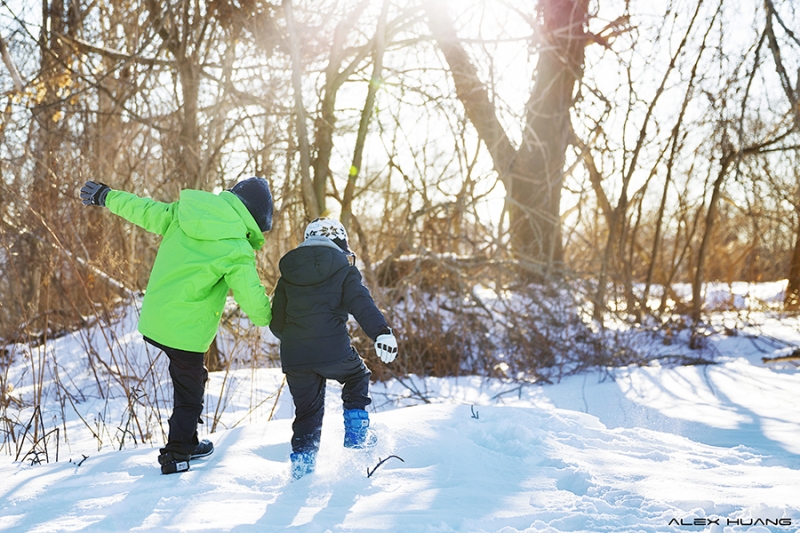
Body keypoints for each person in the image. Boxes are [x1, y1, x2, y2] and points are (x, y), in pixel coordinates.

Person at [79, 177, 275, 474]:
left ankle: (187, 439)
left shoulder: (184, 213)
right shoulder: (236, 248)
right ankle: (179, 452)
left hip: (157, 318)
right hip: (186, 332)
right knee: (189, 391)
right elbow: (256, 307)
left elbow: (142, 209)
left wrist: (106, 196)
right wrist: (279, 315)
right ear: (256, 218)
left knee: (193, 380)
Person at [269, 217, 398, 479]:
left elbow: (277, 322)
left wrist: (296, 339)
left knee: (307, 412)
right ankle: (356, 435)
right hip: (333, 349)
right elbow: (361, 304)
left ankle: (302, 470)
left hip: (295, 356)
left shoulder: (289, 274)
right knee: (356, 375)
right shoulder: (344, 270)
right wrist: (381, 333)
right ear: (340, 243)